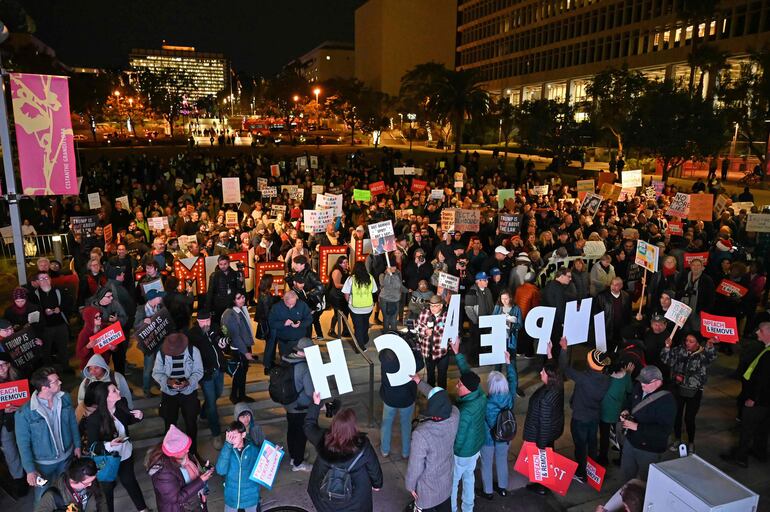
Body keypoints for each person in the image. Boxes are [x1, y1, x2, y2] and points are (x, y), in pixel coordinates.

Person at [304, 391, 383, 512]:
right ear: (353, 426)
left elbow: (308, 426)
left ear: (334, 425)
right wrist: (377, 484)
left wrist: (316, 404)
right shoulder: (362, 445)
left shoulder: (322, 438)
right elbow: (373, 467)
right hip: (356, 500)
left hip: (324, 496)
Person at [15, 366, 81, 505]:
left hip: (66, 458)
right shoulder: (25, 413)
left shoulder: (65, 398)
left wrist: (77, 445)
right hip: (43, 465)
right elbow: (23, 444)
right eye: (56, 382)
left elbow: (72, 423)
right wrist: (30, 470)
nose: (60, 383)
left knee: (66, 492)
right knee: (43, 498)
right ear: (44, 387)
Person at [82, 382, 148, 512]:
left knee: (130, 481)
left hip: (125, 453)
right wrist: (109, 444)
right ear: (105, 397)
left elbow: (128, 419)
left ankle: (143, 509)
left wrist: (139, 416)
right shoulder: (94, 419)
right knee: (107, 489)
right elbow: (92, 446)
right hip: (106, 459)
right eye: (114, 391)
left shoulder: (121, 404)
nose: (118, 391)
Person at [558, 337, 611, 483]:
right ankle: (591, 470)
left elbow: (564, 368)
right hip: (594, 416)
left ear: (590, 363)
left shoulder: (584, 378)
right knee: (592, 444)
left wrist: (564, 349)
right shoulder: (605, 379)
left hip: (580, 418)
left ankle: (582, 473)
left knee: (581, 445)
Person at [405, 376, 460, 512]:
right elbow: (441, 399)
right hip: (446, 483)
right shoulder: (455, 415)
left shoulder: (421, 434)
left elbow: (415, 467)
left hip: (427, 490)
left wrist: (410, 486)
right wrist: (420, 383)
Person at [721, 322, 770, 468]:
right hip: (766, 402)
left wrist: (753, 398)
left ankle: (741, 457)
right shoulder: (765, 349)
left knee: (747, 428)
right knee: (762, 428)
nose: (756, 333)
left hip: (759, 401)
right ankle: (759, 452)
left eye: (760, 330)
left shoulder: (768, 355)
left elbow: (764, 380)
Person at [447, 337, 486, 512]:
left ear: (468, 389)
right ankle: (468, 508)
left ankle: (453, 508)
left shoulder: (465, 410)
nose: (457, 385)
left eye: (460, 385)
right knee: (469, 477)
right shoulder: (479, 393)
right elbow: (467, 373)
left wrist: (452, 450)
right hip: (476, 447)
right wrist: (457, 353)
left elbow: (459, 436)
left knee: (453, 482)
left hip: (462, 452)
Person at [660, 333, 718, 453]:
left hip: (694, 391)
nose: (688, 343)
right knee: (677, 416)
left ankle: (691, 442)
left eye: (691, 341)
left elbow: (711, 357)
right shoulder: (679, 350)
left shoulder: (703, 354)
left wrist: (710, 346)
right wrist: (667, 347)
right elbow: (666, 360)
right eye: (687, 340)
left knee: (689, 418)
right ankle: (677, 439)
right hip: (678, 389)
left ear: (698, 343)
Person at [619, 365, 676, 481]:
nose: (642, 385)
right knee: (626, 474)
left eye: (645, 383)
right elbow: (629, 401)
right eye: (641, 382)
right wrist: (625, 410)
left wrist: (637, 427)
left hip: (649, 450)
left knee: (646, 481)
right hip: (630, 442)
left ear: (657, 382)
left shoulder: (667, 401)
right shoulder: (639, 387)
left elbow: (664, 431)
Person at [152, 333, 204, 457]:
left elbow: (199, 371)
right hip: (169, 394)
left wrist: (189, 382)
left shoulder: (193, 351)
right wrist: (168, 382)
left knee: (191, 423)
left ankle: (192, 452)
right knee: (169, 424)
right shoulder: (162, 353)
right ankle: (171, 455)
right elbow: (156, 373)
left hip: (189, 392)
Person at [146, 425, 215, 512]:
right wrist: (200, 481)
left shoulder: (184, 456)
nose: (188, 451)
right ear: (175, 452)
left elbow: (194, 473)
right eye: (184, 449)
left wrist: (205, 469)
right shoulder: (163, 472)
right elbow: (176, 498)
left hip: (195, 502)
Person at [478, 351, 517, 500]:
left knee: (486, 464)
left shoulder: (485, 401)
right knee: (502, 461)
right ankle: (502, 488)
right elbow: (513, 381)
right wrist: (509, 363)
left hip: (488, 439)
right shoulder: (510, 396)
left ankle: (488, 492)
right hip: (505, 436)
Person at [522, 358, 564, 495]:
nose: (540, 373)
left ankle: (541, 486)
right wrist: (551, 356)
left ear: (550, 376)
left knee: (543, 462)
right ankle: (544, 483)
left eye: (543, 372)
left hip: (541, 435)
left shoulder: (546, 399)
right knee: (548, 456)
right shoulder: (557, 386)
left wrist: (540, 447)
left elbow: (544, 424)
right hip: (553, 430)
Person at [188, 309, 227, 448]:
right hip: (206, 374)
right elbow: (190, 358)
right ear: (197, 321)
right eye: (203, 321)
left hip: (219, 369)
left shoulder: (215, 328)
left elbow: (221, 342)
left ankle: (203, 414)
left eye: (208, 320)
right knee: (212, 403)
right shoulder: (192, 335)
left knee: (218, 394)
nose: (206, 324)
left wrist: (224, 344)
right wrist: (196, 378)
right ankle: (216, 434)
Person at [378, 347, 422, 459]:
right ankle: (406, 452)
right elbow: (420, 363)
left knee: (386, 423)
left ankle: (384, 450)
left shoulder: (385, 359)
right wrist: (415, 350)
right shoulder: (407, 361)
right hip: (406, 399)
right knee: (406, 424)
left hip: (389, 398)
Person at [281, 337, 316, 472]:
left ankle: (293, 457)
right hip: (300, 406)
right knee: (301, 435)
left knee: (292, 431)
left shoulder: (286, 359)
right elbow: (309, 391)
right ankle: (298, 463)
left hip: (288, 404)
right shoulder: (304, 367)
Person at [215, 421, 263, 512]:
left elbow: (266, 463)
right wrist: (227, 446)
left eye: (235, 436)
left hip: (251, 496)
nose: (232, 440)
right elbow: (220, 470)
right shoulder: (227, 450)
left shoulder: (253, 450)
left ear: (243, 434)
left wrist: (274, 451)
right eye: (229, 436)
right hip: (232, 497)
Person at [134, 289, 174, 398]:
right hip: (148, 344)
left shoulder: (159, 307)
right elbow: (135, 326)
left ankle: (158, 383)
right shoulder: (141, 310)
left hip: (159, 341)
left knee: (160, 364)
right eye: (159, 297)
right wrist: (143, 322)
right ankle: (146, 390)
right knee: (148, 367)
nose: (161, 298)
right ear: (153, 299)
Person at [34, 272, 73, 373]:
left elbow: (69, 302)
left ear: (50, 279)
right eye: (42, 279)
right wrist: (44, 312)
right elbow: (33, 311)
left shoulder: (59, 290)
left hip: (60, 324)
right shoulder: (34, 295)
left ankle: (66, 367)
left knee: (63, 347)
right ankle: (49, 371)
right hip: (45, 327)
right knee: (46, 349)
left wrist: (60, 308)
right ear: (37, 282)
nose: (45, 280)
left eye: (46, 277)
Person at [36, 457, 108, 512]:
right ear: (73, 481)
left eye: (93, 480)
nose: (90, 484)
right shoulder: (52, 496)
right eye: (86, 483)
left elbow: (102, 502)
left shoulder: (91, 481)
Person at [0, 353, 27, 497]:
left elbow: (29, 396)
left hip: (22, 417)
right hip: (5, 423)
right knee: (11, 452)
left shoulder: (19, 376)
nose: (2, 368)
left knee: (26, 446)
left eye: (4, 364)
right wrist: (4, 410)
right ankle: (19, 480)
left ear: (9, 364)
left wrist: (20, 407)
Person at [221, 290, 255, 403]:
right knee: (238, 373)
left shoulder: (239, 309)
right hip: (238, 349)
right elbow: (235, 336)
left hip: (243, 346)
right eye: (239, 298)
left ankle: (241, 395)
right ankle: (235, 396)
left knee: (242, 372)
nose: (242, 299)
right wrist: (245, 352)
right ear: (233, 300)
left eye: (243, 297)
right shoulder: (229, 314)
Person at [265, 290, 312, 371]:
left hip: (299, 343)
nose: (291, 306)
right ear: (284, 300)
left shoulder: (302, 305)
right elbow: (271, 323)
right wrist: (284, 323)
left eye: (293, 304)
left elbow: (309, 319)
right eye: (289, 304)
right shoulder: (276, 307)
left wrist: (300, 324)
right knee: (285, 365)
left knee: (300, 365)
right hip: (284, 343)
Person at [598, 360, 634, 466]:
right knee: (621, 436)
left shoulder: (605, 377)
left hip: (604, 412)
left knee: (604, 437)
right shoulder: (626, 377)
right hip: (619, 412)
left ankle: (603, 459)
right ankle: (621, 459)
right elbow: (629, 390)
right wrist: (629, 374)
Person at [342, 261, 377, 350]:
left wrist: (349, 301)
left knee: (358, 326)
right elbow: (374, 291)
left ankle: (360, 347)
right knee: (365, 323)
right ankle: (365, 338)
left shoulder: (351, 279)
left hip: (355, 308)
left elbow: (346, 293)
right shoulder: (370, 277)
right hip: (368, 307)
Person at [417, 295, 450, 389]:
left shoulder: (446, 315)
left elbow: (451, 332)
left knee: (442, 376)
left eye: (436, 306)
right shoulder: (424, 313)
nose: (433, 308)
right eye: (431, 306)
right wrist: (425, 331)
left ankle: (442, 397)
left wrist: (436, 331)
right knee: (430, 376)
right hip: (428, 351)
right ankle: (431, 396)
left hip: (442, 352)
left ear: (441, 306)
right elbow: (418, 327)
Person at [594, 277, 632, 353]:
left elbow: (628, 313)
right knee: (606, 351)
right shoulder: (601, 296)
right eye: (612, 284)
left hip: (621, 330)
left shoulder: (626, 296)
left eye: (617, 285)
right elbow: (596, 314)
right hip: (607, 330)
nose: (614, 287)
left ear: (621, 286)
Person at [206, 254, 242, 322]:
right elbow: (210, 292)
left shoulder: (234, 274)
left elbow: (238, 289)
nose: (223, 266)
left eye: (225, 264)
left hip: (231, 304)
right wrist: (209, 309)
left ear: (229, 263)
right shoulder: (214, 276)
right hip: (218, 306)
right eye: (221, 264)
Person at [327, 256, 351, 338]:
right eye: (344, 262)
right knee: (337, 314)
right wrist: (348, 286)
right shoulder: (337, 271)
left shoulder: (345, 270)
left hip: (342, 294)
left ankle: (345, 330)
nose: (346, 264)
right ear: (339, 263)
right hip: (336, 295)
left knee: (346, 312)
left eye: (346, 262)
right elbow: (337, 285)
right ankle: (331, 330)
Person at [378, 261, 406, 333]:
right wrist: (388, 274)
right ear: (387, 267)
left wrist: (407, 290)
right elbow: (385, 285)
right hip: (385, 299)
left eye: (394, 266)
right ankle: (385, 333)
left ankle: (394, 334)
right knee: (386, 318)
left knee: (394, 319)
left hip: (395, 299)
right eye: (391, 266)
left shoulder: (398, 273)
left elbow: (400, 285)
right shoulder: (382, 275)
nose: (393, 268)